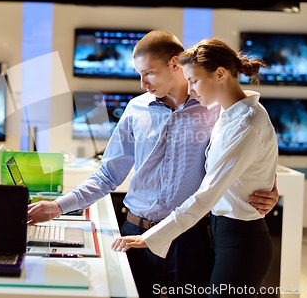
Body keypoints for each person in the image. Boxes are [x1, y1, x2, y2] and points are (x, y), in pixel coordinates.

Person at [28, 31, 279, 297]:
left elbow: (254, 150)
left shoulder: (217, 107)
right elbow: (108, 174)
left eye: (148, 73)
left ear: (174, 64)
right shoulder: (136, 109)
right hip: (134, 232)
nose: (142, 83)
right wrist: (58, 206)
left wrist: (269, 187)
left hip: (189, 240)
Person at [111, 37, 278, 297]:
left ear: (220, 74)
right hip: (220, 233)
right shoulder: (226, 113)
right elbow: (250, 162)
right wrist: (269, 182)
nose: (190, 89)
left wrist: (150, 238)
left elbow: (208, 192)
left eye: (194, 81)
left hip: (240, 237)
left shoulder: (246, 121)